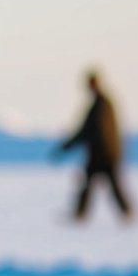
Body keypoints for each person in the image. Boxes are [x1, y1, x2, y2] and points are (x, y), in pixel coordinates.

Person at [54, 70, 133, 221]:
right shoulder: (101, 103)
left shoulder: (101, 104)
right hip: (106, 153)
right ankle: (83, 214)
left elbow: (91, 130)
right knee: (93, 184)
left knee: (108, 184)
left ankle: (125, 213)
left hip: (104, 154)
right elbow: (88, 131)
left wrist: (68, 146)